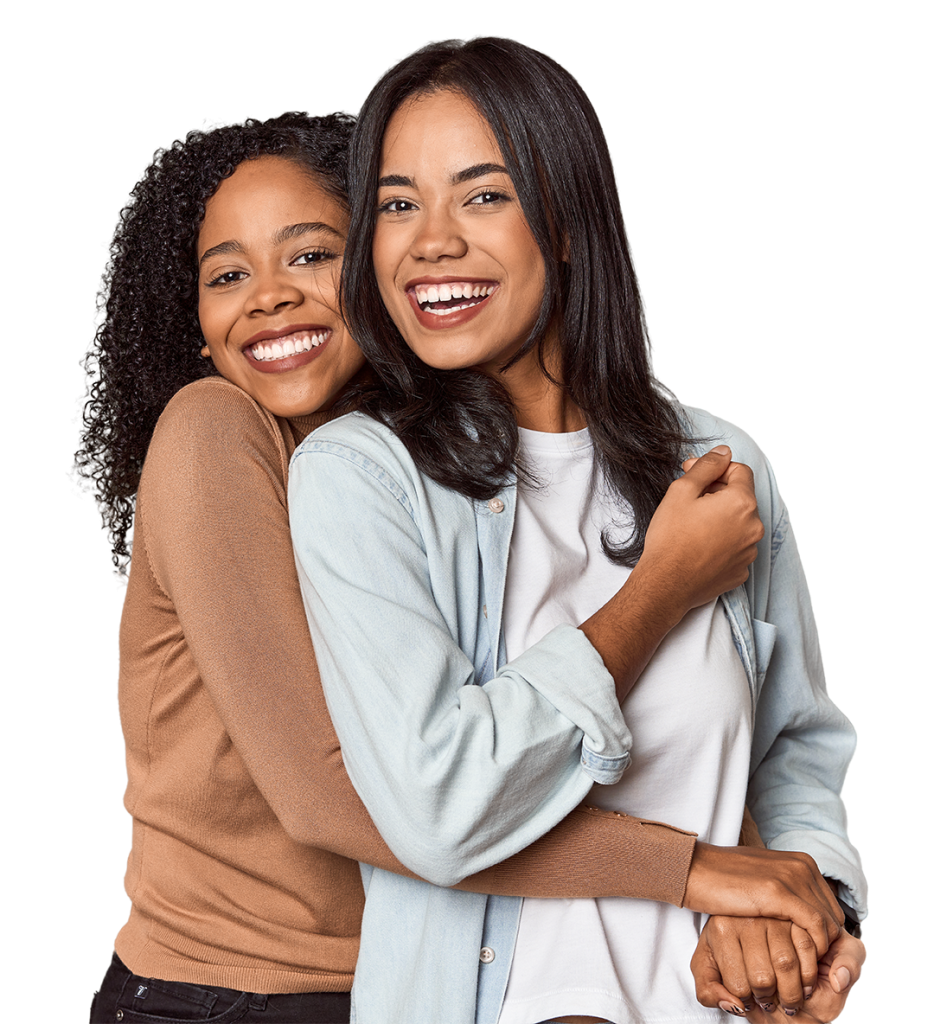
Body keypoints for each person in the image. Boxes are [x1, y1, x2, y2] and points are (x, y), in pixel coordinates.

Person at [71, 109, 844, 1024]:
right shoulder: (213, 430)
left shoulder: (438, 479)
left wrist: (752, 857)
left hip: (408, 980)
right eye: (227, 275)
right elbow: (340, 795)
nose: (270, 297)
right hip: (226, 993)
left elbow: (641, 724)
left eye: (311, 256)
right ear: (197, 326)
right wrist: (694, 871)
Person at [288, 37, 868, 1024]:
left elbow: (796, 747)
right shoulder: (359, 477)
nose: (429, 241)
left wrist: (793, 892)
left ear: (563, 223)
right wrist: (658, 592)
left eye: (482, 195)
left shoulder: (718, 463)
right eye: (395, 203)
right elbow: (438, 808)